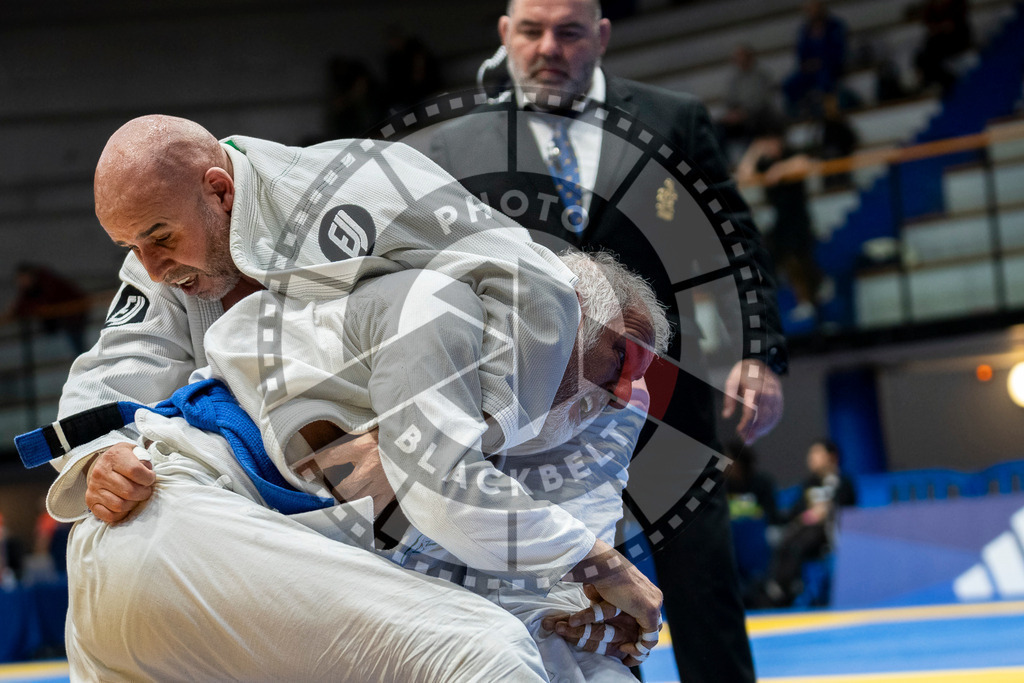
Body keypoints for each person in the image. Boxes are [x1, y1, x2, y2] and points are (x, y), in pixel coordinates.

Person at [38, 114, 659, 679]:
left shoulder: (363, 186)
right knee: (487, 656)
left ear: (220, 191)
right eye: (132, 248)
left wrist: (578, 602)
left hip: (260, 565)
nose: (149, 266)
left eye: (159, 240)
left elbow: (534, 288)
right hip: (194, 520)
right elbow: (117, 366)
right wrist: (98, 457)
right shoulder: (186, 262)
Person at [427, 1, 787, 681]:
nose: (548, 47)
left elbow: (734, 245)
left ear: (602, 37)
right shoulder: (457, 143)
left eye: (568, 31)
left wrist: (758, 351)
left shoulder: (671, 119)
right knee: (565, 588)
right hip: (537, 408)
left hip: (669, 391)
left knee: (702, 578)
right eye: (531, 31)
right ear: (505, 36)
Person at [736, 127, 825, 325]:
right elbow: (744, 176)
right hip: (779, 221)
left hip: (798, 218)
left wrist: (781, 169)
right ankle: (796, 302)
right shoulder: (764, 161)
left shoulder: (790, 154)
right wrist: (754, 152)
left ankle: (812, 297)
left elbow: (807, 163)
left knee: (800, 258)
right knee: (775, 260)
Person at [762, 438, 856, 607]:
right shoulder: (808, 484)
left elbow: (850, 510)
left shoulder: (843, 483)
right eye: (811, 454)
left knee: (800, 542)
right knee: (785, 541)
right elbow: (794, 512)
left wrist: (828, 510)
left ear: (831, 457)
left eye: (817, 453)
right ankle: (779, 586)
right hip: (802, 532)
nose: (811, 458)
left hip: (828, 534)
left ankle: (791, 586)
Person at [782, 1, 848, 118]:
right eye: (809, 10)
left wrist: (823, 62)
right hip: (810, 69)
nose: (812, 12)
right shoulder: (805, 30)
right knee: (788, 84)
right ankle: (796, 115)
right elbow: (801, 53)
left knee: (825, 80)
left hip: (830, 67)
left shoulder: (835, 26)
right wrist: (807, 64)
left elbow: (839, 51)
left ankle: (830, 113)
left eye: (814, 9)